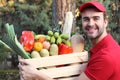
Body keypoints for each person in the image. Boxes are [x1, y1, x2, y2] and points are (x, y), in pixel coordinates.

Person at [18, 1, 120, 80]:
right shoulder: (104, 47)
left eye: (96, 18)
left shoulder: (106, 57)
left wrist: (36, 74)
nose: (90, 23)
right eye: (86, 19)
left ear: (105, 22)